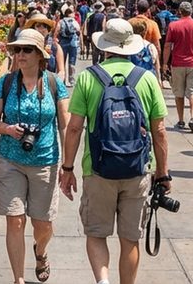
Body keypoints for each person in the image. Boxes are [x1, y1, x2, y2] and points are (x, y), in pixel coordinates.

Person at [59, 18, 169, 284]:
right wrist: (162, 174)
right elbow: (160, 131)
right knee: (130, 239)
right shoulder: (147, 79)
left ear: (104, 46)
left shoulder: (88, 77)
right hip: (137, 168)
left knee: (96, 234)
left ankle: (103, 281)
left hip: (97, 169)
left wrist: (68, 168)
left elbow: (73, 129)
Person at [0, 29, 70, 284]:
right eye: (17, 50)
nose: (20, 54)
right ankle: (18, 279)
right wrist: (8, 130)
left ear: (39, 55)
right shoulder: (6, 82)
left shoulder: (55, 84)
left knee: (42, 225)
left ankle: (41, 251)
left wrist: (68, 167)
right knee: (15, 221)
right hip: (10, 160)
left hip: (45, 161)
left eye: (26, 50)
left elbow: (65, 126)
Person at [163, 1, 193, 133]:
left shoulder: (173, 25)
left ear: (179, 11)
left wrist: (165, 63)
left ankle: (181, 120)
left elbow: (168, 46)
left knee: (179, 93)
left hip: (177, 63)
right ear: (191, 12)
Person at [25, 13, 65, 78]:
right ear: (32, 29)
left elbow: (61, 72)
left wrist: (56, 83)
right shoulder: (23, 47)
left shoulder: (55, 47)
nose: (42, 29)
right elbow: (15, 69)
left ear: (48, 30)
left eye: (44, 26)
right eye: (38, 26)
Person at [56, 5, 81, 86]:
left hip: (63, 42)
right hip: (72, 42)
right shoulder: (74, 21)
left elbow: (57, 31)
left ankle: (62, 80)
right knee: (72, 61)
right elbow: (78, 30)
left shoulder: (61, 21)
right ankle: (71, 80)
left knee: (62, 61)